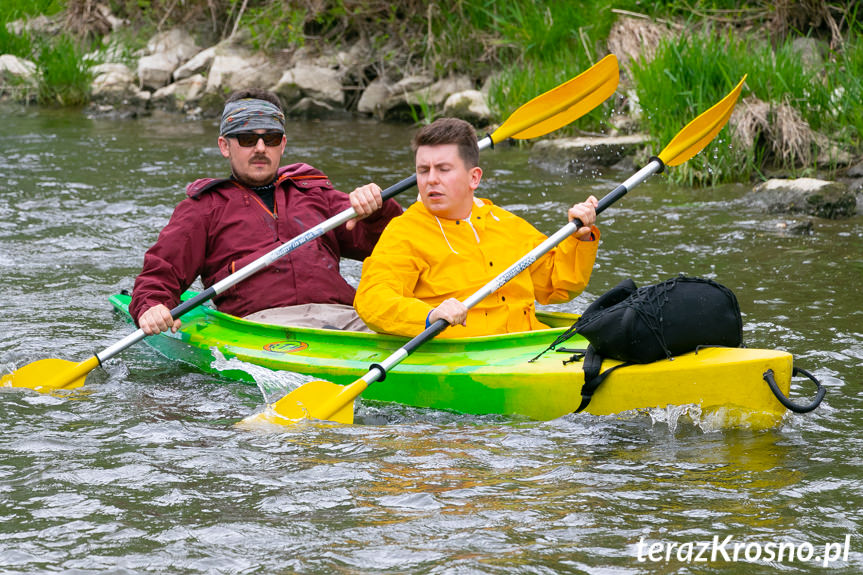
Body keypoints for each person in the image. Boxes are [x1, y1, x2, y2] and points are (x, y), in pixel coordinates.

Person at [130, 89, 402, 335]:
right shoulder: (203, 208)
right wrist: (152, 305)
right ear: (225, 146)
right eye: (248, 139)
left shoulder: (316, 193)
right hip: (262, 326)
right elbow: (160, 274)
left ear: (282, 145)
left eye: (269, 139)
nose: (260, 148)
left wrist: (378, 209)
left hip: (346, 319)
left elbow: (393, 246)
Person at [354, 117, 599, 338]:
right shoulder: (404, 232)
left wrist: (578, 237)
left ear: (474, 178)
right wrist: (428, 316)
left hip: (528, 344)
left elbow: (558, 286)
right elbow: (371, 299)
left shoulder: (506, 223)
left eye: (443, 169)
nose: (431, 180)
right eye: (423, 170)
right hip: (465, 355)